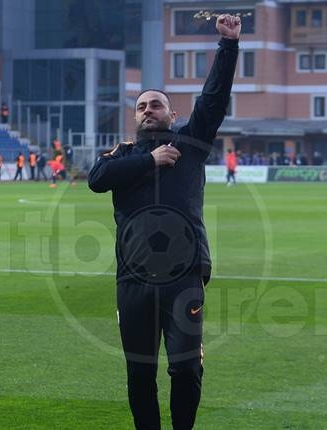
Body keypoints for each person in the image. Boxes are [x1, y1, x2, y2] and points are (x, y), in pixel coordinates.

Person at [87, 14, 241, 430]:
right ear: (135, 118)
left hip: (183, 278)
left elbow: (213, 100)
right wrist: (149, 160)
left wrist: (227, 46)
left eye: (155, 104)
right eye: (141, 106)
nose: (147, 110)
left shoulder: (190, 144)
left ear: (172, 114)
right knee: (139, 374)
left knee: (186, 370)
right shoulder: (121, 156)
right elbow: (95, 181)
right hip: (133, 281)